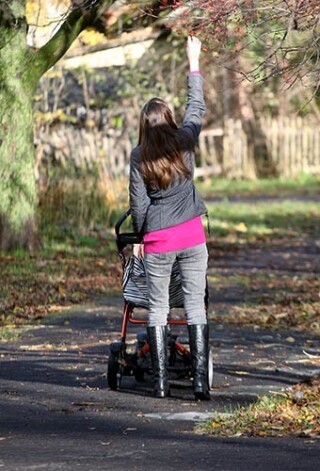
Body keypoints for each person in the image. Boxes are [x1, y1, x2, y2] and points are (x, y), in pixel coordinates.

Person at [129, 36, 210, 401]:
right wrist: (193, 62)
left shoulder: (138, 156)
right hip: (192, 236)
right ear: (170, 120)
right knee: (194, 305)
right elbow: (197, 106)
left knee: (158, 308)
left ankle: (160, 384)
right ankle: (200, 383)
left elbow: (138, 203)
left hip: (159, 240)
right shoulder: (184, 140)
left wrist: (140, 240)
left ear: (144, 126)